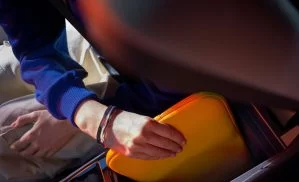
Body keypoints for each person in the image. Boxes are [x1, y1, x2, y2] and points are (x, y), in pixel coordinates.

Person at [0, 0, 186, 162]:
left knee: (6, 136)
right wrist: (82, 111)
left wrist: (99, 118)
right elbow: (33, 46)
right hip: (104, 41)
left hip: (162, 87)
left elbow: (184, 75)